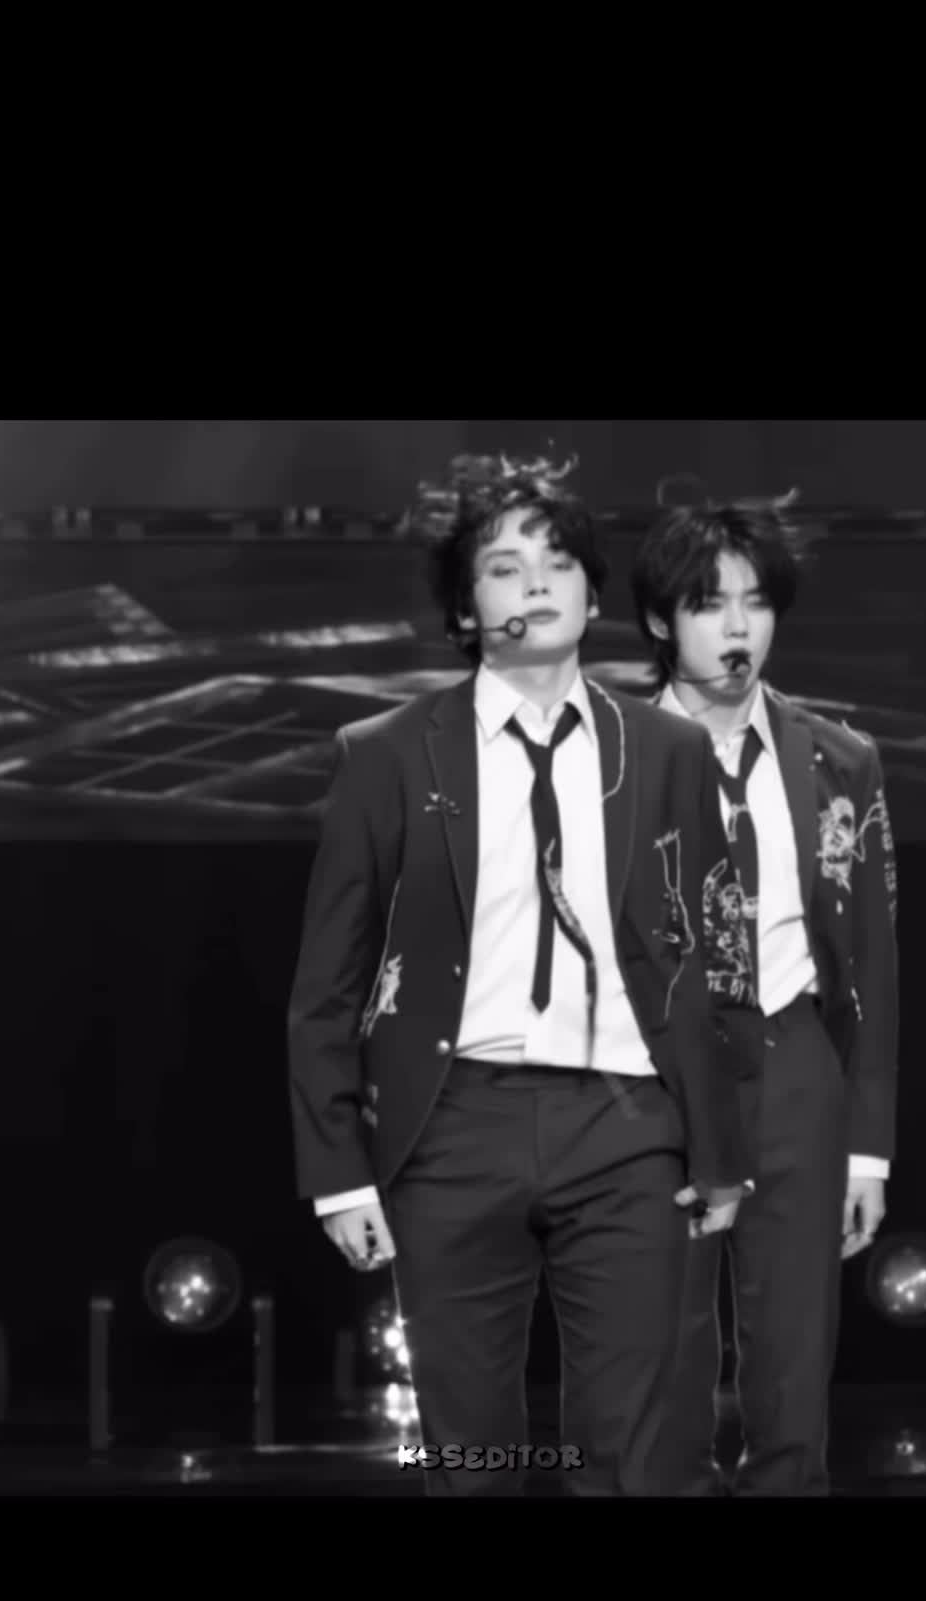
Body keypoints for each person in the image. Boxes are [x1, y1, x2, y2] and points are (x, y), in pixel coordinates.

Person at [287, 452, 758, 1497]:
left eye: (558, 564)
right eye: (505, 567)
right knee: (468, 1456)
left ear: (593, 597)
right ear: (466, 610)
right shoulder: (387, 752)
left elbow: (717, 954)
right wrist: (338, 1170)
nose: (536, 583)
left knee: (637, 1456)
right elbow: (329, 980)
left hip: (631, 1127)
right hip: (452, 1123)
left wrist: (719, 1142)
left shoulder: (670, 751)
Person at [631, 493, 899, 1496]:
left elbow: (872, 961)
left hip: (794, 1066)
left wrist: (867, 1146)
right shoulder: (604, 756)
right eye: (708, 604)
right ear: (661, 620)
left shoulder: (840, 759)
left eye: (756, 602)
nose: (737, 628)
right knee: (660, 1367)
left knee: (793, 1373)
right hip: (652, 1077)